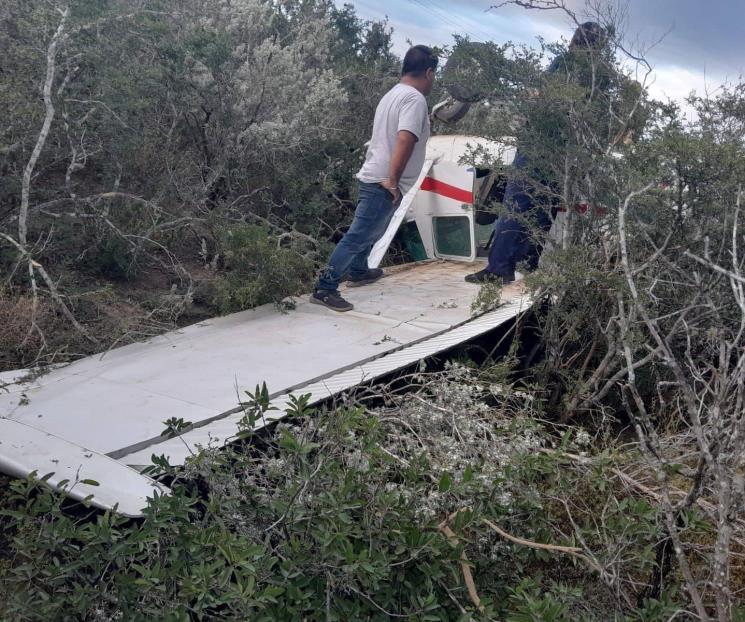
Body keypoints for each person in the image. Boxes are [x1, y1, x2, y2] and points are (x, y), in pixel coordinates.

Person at [465, 22, 612, 284]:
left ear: (575, 40)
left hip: (539, 146)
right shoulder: (599, 75)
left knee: (516, 204)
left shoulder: (565, 63)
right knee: (545, 207)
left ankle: (499, 269)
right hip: (565, 155)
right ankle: (527, 263)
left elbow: (545, 100)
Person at [311, 45, 438, 312]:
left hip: (374, 176)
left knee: (373, 230)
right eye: (433, 75)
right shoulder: (414, 99)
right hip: (384, 181)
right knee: (358, 235)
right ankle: (325, 288)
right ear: (428, 72)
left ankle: (358, 271)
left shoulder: (393, 94)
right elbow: (405, 138)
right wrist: (393, 180)